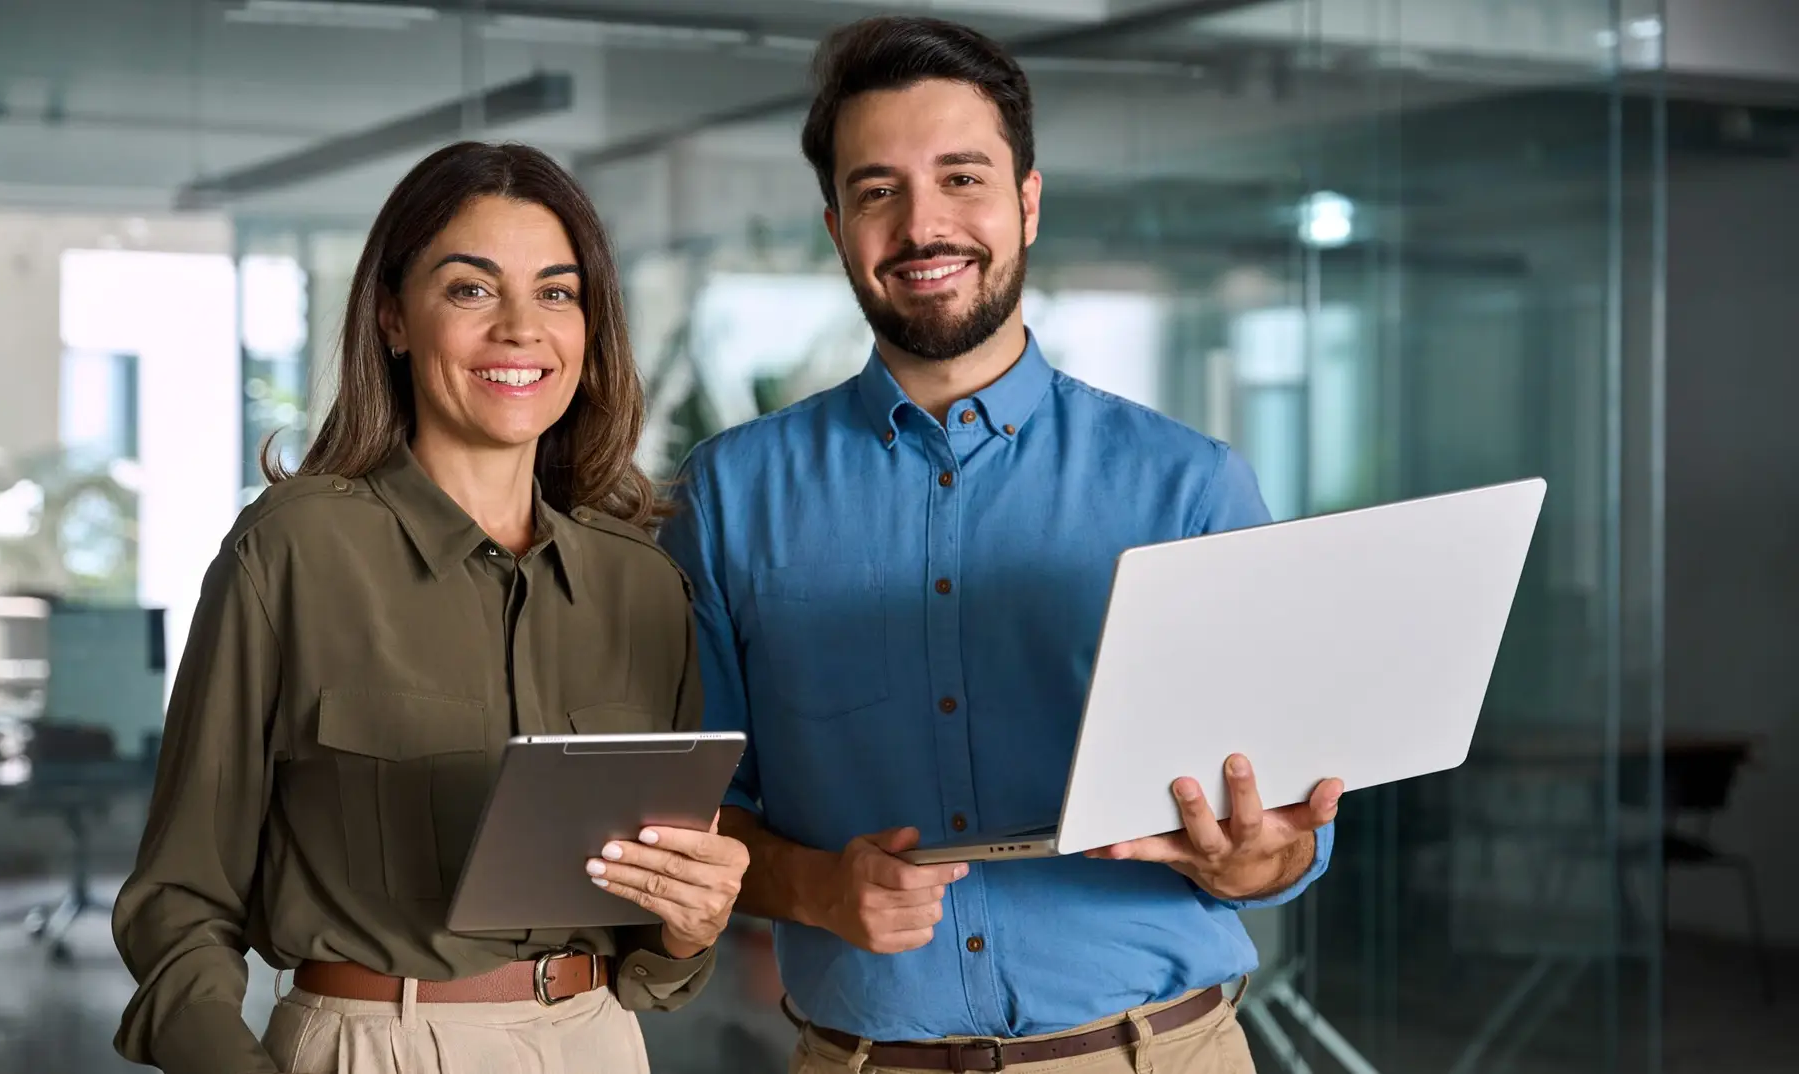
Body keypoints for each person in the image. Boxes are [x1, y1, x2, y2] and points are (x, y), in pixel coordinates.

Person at [657, 16, 1344, 1074]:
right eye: (878, 190)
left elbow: (1289, 829)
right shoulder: (728, 498)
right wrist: (816, 888)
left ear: (1027, 200)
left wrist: (1255, 857)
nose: (923, 225)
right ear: (837, 226)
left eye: (963, 178)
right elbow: (698, 816)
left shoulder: (1189, 485)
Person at [111, 141, 749, 1074]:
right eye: (471, 290)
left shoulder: (643, 585)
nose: (521, 330)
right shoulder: (293, 552)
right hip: (375, 1046)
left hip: (600, 1043)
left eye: (558, 293)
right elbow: (180, 898)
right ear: (392, 318)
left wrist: (690, 927)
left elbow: (652, 955)